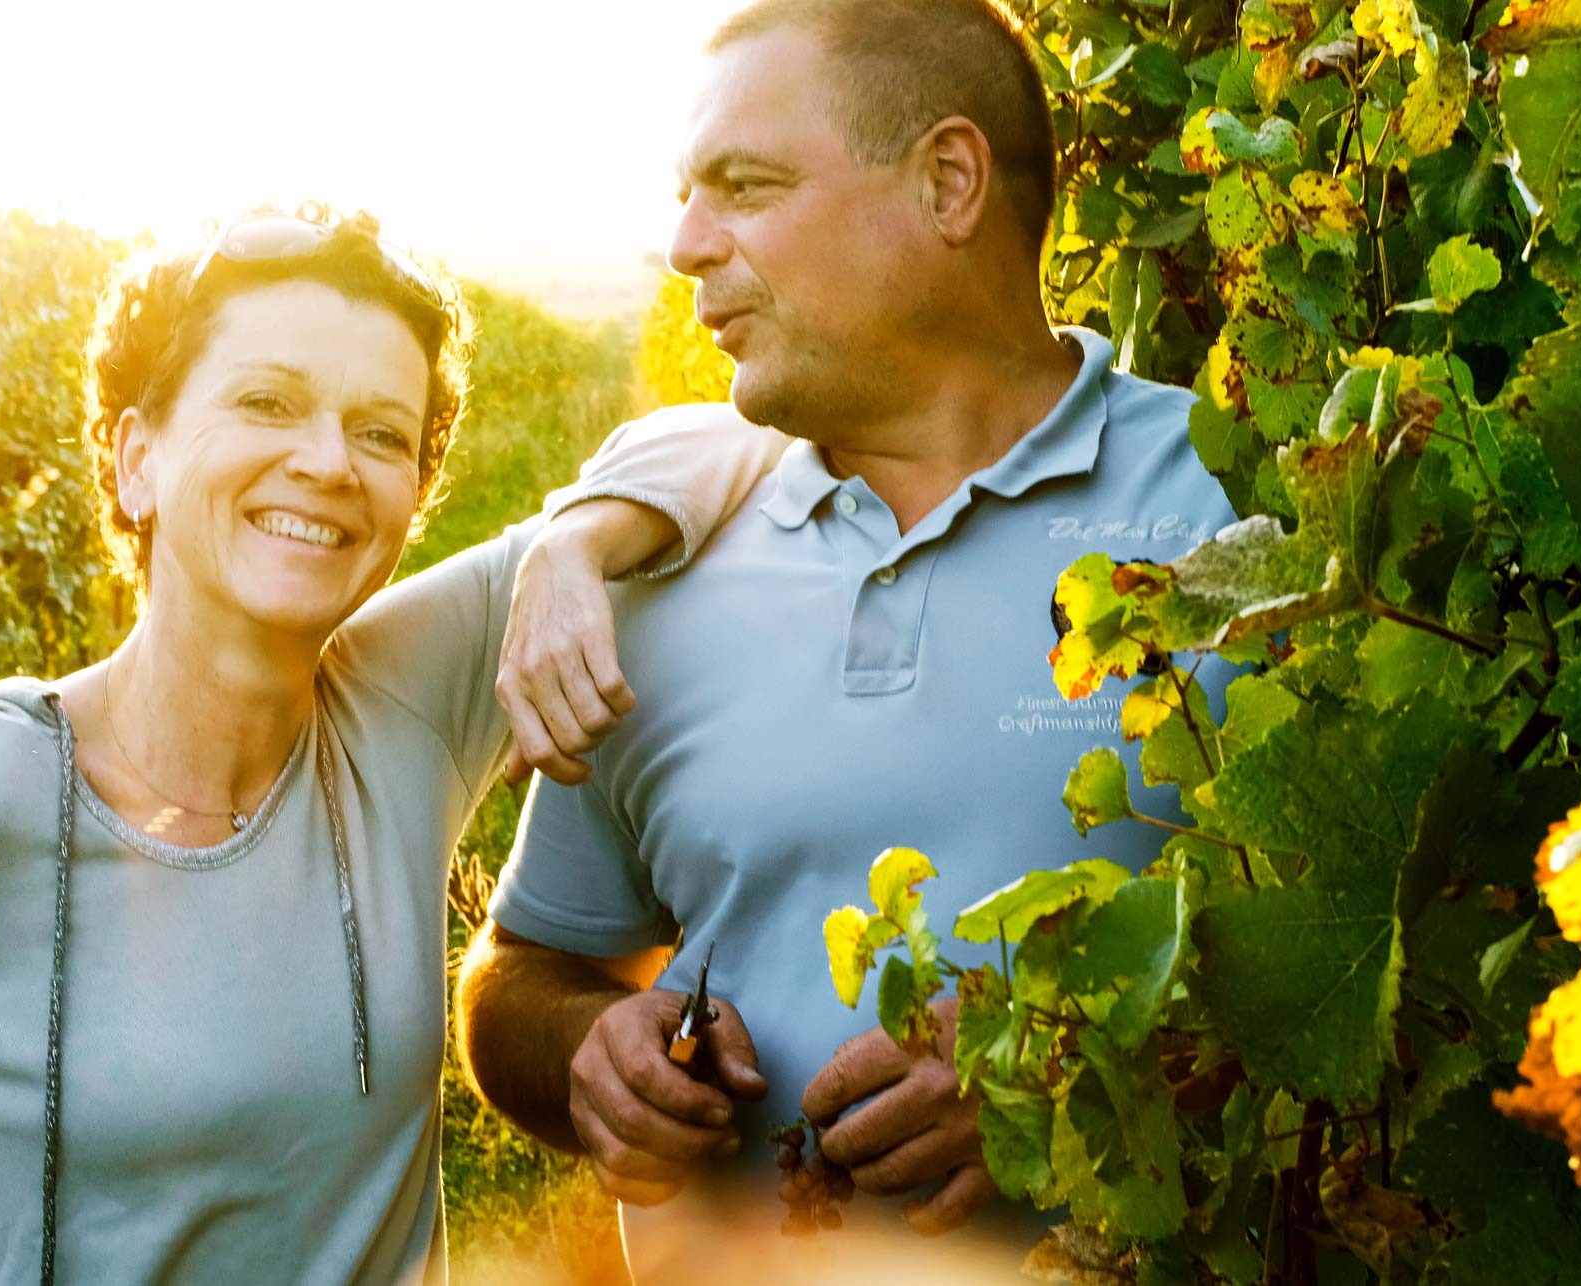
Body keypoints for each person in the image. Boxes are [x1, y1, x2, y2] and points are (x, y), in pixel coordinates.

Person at [0, 209, 781, 1284]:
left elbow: (748, 434)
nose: (326, 462)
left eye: (379, 432)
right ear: (135, 460)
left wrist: (573, 539)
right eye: (266, 402)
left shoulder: (397, 698)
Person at [456, 1, 1240, 1281]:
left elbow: (1391, 992)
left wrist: (1082, 1078)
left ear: (946, 181)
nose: (683, 244)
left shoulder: (1229, 505)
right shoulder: (655, 566)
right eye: (683, 195)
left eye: (742, 187)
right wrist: (584, 1051)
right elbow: (521, 973)